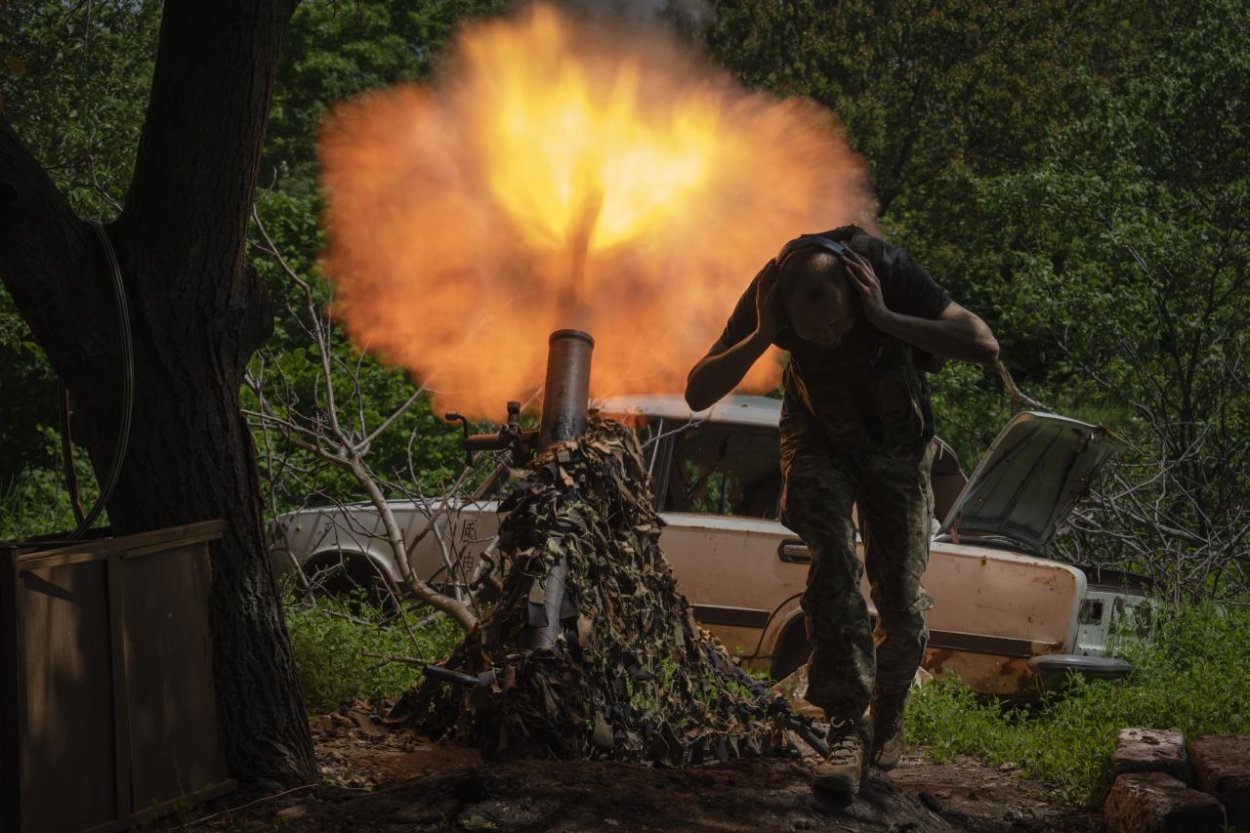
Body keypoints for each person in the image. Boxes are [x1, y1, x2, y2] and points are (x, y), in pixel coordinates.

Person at [685, 227, 999, 795]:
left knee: (901, 599)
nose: (826, 339)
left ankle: (890, 707)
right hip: (818, 440)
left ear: (852, 291)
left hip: (898, 448)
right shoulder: (771, 293)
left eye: (836, 322)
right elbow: (696, 392)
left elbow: (983, 344)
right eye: (810, 333)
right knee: (832, 562)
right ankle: (845, 727)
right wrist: (762, 335)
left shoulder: (884, 268)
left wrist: (885, 318)